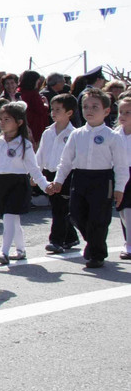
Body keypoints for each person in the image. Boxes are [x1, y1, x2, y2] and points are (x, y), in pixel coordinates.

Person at [47, 88, 128, 268]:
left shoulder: (112, 136)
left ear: (106, 111)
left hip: (102, 179)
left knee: (99, 218)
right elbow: (66, 160)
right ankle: (93, 242)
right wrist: (58, 180)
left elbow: (121, 166)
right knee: (76, 214)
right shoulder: (76, 134)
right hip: (80, 177)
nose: (89, 110)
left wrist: (119, 188)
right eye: (85, 107)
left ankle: (97, 255)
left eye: (95, 107)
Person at [0, 102, 49, 264]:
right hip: (2, 183)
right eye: (0, 119)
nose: (2, 122)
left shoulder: (25, 145)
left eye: (7, 119)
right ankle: (21, 250)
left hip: (18, 184)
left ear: (19, 122)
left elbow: (34, 169)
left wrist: (45, 185)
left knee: (9, 217)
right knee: (12, 219)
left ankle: (4, 251)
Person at [36, 94, 80, 254]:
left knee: (60, 209)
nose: (53, 113)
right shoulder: (48, 132)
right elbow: (40, 154)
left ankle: (56, 240)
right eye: (52, 109)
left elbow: (73, 159)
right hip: (49, 173)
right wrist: (36, 174)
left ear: (69, 113)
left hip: (66, 176)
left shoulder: (74, 134)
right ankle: (70, 237)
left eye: (58, 110)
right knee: (57, 206)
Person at [115, 94, 131, 260]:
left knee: (128, 210)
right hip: (120, 174)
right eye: (121, 112)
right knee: (123, 211)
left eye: (128, 112)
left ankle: (129, 245)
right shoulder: (115, 134)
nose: (123, 116)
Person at [17, 70, 48, 146]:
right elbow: (41, 109)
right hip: (35, 126)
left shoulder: (20, 92)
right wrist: (46, 104)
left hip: (25, 125)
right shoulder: (33, 94)